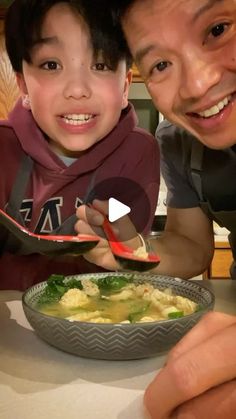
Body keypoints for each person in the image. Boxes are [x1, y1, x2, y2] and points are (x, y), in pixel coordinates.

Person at [75, 1, 236, 418]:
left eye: (218, 30)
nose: (198, 85)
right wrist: (133, 251)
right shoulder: (177, 138)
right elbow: (192, 245)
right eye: (161, 63)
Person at [0, 0, 159, 290]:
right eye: (51, 65)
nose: (77, 90)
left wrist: (128, 244)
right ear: (23, 86)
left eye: (100, 64)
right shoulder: (3, 147)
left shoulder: (138, 152)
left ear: (125, 87)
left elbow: (128, 273)